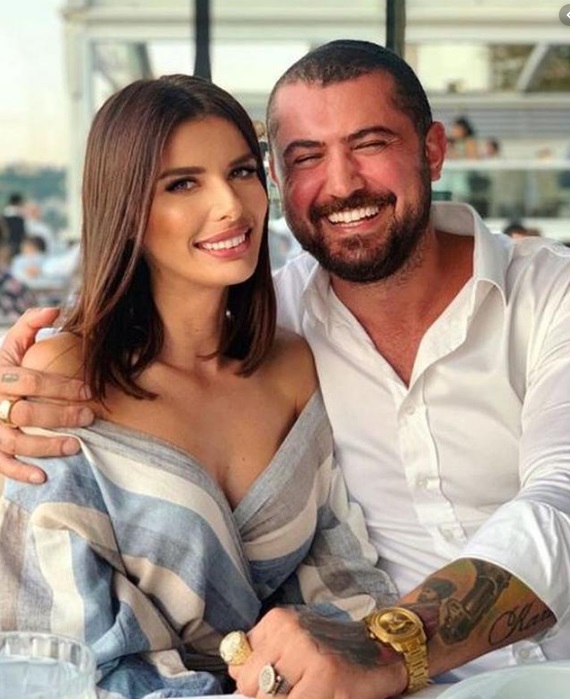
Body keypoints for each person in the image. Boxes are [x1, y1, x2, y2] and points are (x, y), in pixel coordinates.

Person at [0, 39, 569, 698]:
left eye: (370, 143)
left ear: (433, 150)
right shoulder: (279, 326)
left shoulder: (546, 296)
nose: (343, 183)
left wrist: (384, 648)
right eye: (306, 157)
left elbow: (559, 501)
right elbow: (54, 640)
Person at [0, 73, 397, 698]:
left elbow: (341, 579)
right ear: (127, 209)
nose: (231, 205)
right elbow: (57, 645)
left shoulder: (292, 363)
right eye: (183, 183)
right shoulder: (63, 375)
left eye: (242, 172)